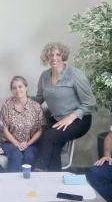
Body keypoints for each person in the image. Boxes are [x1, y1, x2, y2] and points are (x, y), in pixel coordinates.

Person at [33, 42, 96, 171]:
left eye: (58, 54)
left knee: (48, 137)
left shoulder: (75, 74)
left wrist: (71, 117)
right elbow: (39, 98)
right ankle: (54, 181)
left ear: (63, 56)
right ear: (46, 57)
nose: (54, 58)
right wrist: (21, 99)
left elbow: (90, 102)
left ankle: (37, 172)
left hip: (79, 120)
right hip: (57, 120)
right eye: (51, 55)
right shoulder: (44, 76)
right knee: (53, 145)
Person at [0, 76, 44, 172]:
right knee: (16, 155)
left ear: (26, 87)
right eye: (14, 88)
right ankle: (12, 184)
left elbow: (40, 130)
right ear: (11, 90)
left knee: (29, 155)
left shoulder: (36, 107)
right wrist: (17, 143)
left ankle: (28, 183)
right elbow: (4, 129)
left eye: (20, 86)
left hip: (31, 143)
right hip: (10, 143)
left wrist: (27, 143)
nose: (17, 90)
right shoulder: (7, 105)